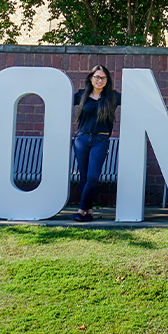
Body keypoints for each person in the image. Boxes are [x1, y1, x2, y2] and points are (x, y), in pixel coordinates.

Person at [72, 65, 121, 222]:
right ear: (91, 78)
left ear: (107, 80)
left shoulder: (113, 97)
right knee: (84, 177)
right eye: (97, 77)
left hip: (100, 140)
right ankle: (90, 211)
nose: (99, 80)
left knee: (93, 177)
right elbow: (58, 97)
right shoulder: (82, 95)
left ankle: (81, 210)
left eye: (103, 78)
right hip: (82, 139)